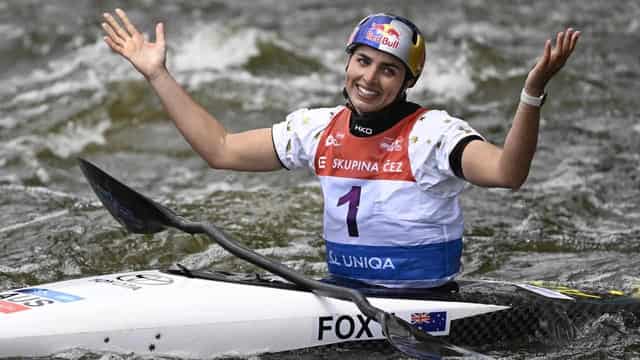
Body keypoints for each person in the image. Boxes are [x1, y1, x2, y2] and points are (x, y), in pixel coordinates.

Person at [101, 9, 580, 288]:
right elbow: (221, 149)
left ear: (407, 81)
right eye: (362, 61)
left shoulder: (432, 135)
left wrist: (532, 92)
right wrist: (157, 74)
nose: (369, 78)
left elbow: (506, 172)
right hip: (344, 295)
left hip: (423, 303)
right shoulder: (318, 128)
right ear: (347, 62)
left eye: (388, 69)